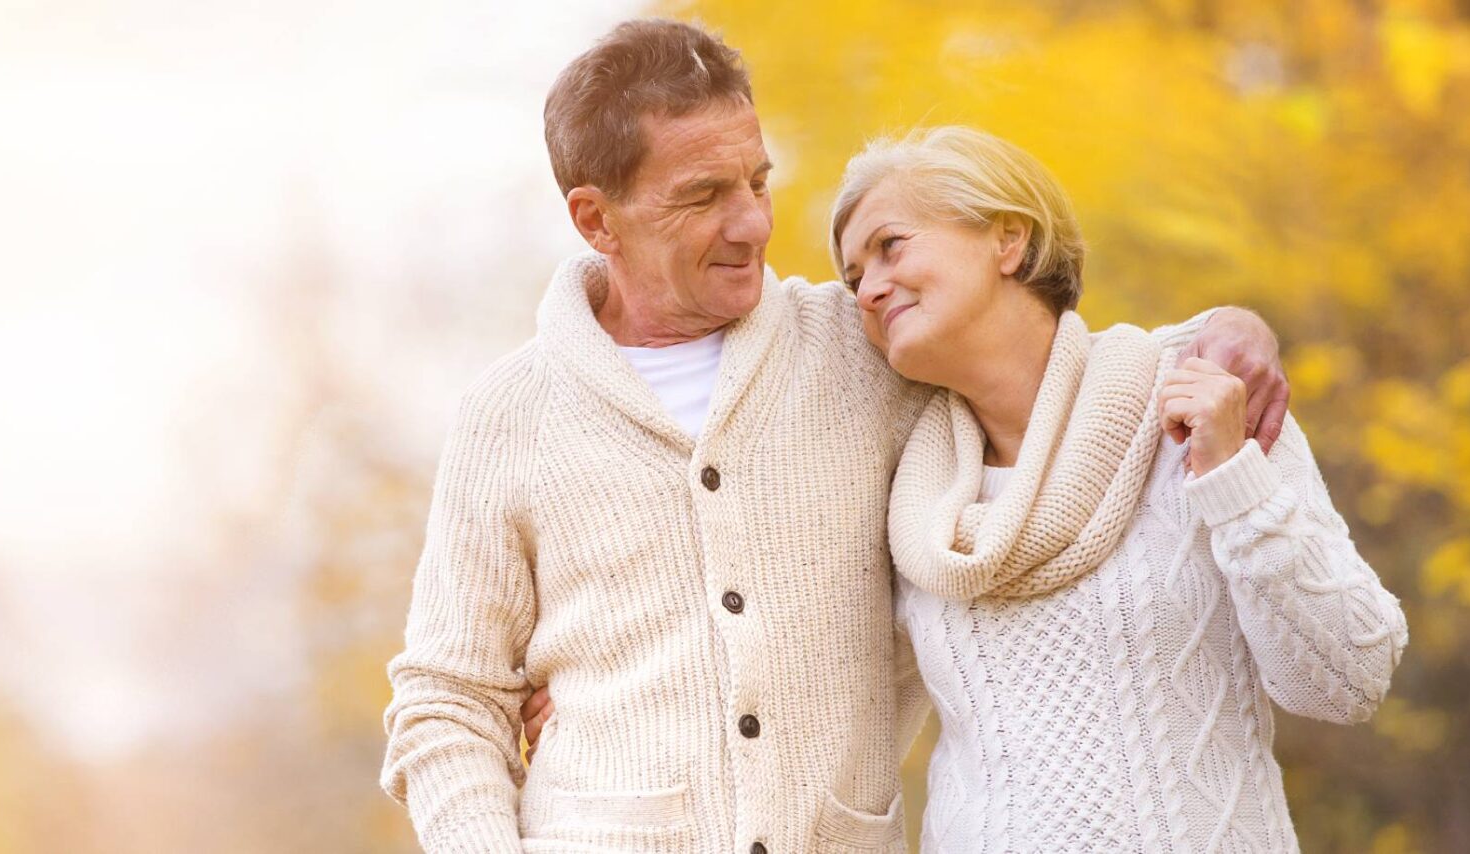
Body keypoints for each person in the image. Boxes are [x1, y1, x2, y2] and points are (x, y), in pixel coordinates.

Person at [382, 20, 1286, 854]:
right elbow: (447, 700)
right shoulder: (509, 414)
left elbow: (1059, 369)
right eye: (702, 196)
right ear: (595, 218)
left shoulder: (861, 349)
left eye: (757, 180)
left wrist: (1231, 326)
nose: (752, 224)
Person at [838, 125, 1406, 851]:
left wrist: (1231, 479)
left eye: (891, 245)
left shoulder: (1199, 406)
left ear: (1008, 240)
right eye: (855, 278)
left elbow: (1348, 681)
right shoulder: (909, 501)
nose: (871, 288)